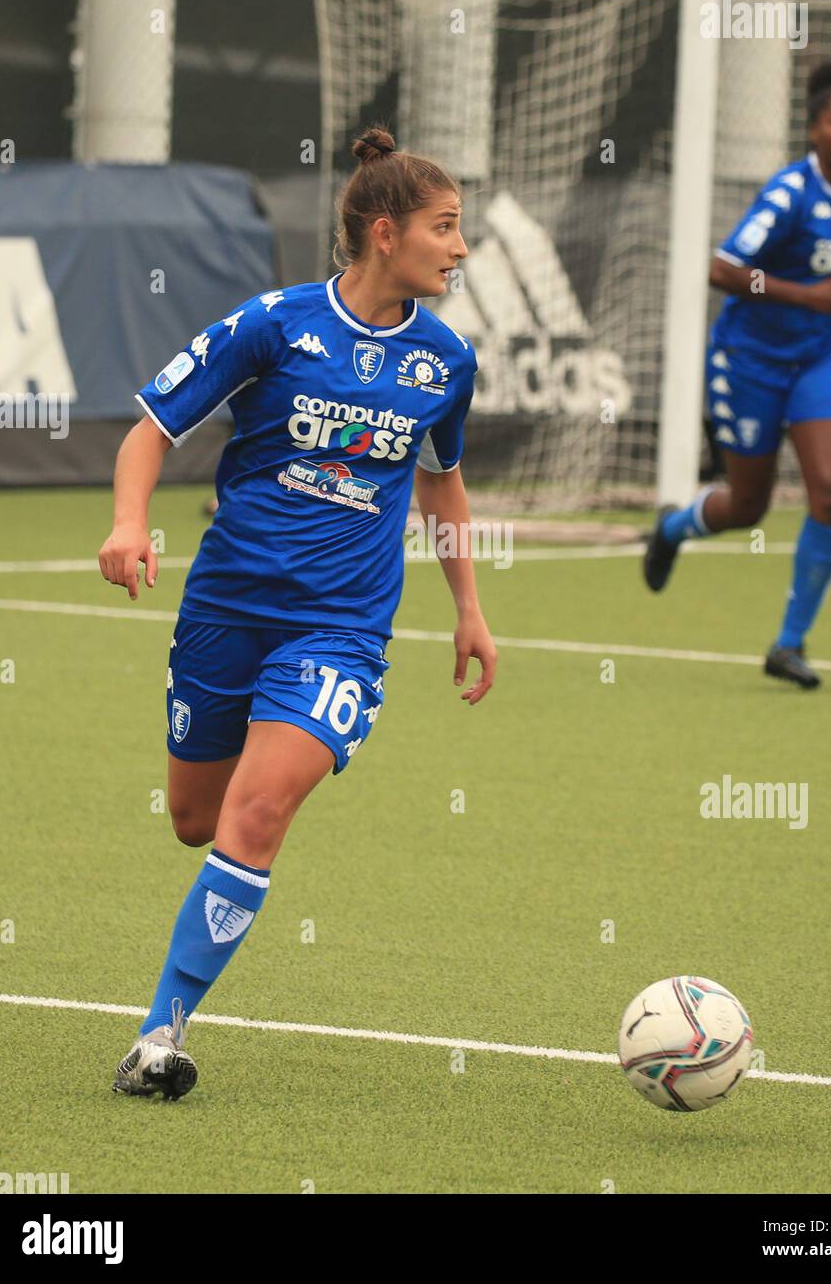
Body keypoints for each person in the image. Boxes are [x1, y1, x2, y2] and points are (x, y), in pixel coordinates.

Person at [98, 124, 496, 1098]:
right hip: (228, 605)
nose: (460, 247)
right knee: (195, 819)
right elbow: (151, 427)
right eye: (446, 228)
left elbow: (441, 485)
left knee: (261, 807)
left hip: (342, 630)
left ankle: (160, 1035)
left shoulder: (443, 361)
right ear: (385, 232)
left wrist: (469, 610)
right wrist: (127, 522)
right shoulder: (274, 326)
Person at [644, 62, 831, 688]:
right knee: (748, 506)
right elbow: (723, 269)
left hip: (815, 362)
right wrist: (804, 296)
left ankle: (789, 644)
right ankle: (672, 527)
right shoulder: (787, 194)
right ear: (815, 131)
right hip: (748, 360)